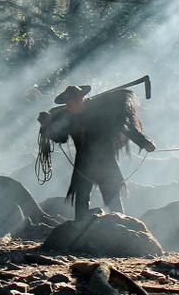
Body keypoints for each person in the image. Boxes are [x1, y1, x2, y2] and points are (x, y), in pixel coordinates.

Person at [39, 84, 155, 220]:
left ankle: (122, 225)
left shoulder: (100, 112)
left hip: (105, 161)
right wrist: (47, 125)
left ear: (81, 99)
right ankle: (80, 227)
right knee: (82, 198)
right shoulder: (69, 119)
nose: (71, 106)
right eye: (69, 104)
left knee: (112, 197)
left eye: (73, 102)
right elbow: (61, 138)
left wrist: (144, 142)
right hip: (83, 163)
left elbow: (125, 127)